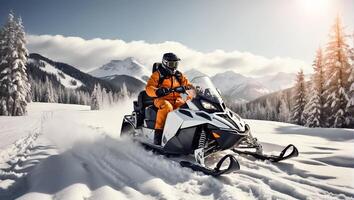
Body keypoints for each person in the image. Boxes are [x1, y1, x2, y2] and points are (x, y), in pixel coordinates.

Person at [146, 53, 193, 145]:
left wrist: (194, 89)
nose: (174, 67)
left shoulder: (179, 75)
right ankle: (158, 135)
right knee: (167, 107)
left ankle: (185, 136)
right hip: (161, 99)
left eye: (176, 64)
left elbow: (188, 85)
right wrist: (158, 91)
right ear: (165, 63)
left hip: (177, 100)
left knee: (187, 108)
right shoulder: (158, 75)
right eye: (172, 64)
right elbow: (149, 88)